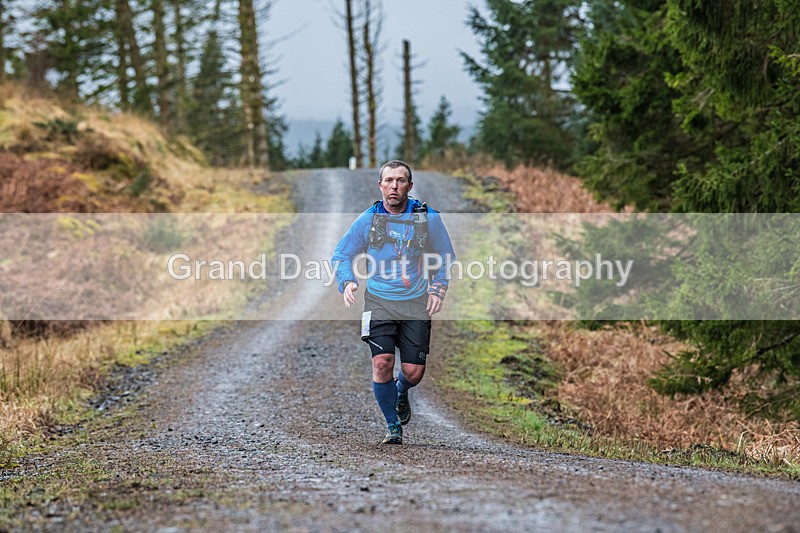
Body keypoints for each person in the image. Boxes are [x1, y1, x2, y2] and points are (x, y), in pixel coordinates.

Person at [332, 160, 455, 444]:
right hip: (379, 302)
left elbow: (446, 256)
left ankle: (401, 391)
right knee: (382, 363)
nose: (394, 186)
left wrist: (438, 287)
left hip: (415, 302)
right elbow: (341, 255)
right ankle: (393, 427)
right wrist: (347, 280)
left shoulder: (428, 219)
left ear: (410, 186)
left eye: (400, 181)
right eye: (388, 181)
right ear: (380, 186)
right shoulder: (368, 220)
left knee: (413, 372)